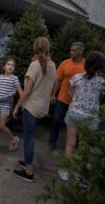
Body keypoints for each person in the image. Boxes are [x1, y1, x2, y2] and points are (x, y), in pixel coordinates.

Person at [12, 37, 56, 182]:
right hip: (42, 108)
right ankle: (27, 161)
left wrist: (17, 106)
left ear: (35, 48)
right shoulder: (52, 65)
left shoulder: (35, 65)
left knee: (29, 138)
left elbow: (27, 91)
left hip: (31, 108)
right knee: (31, 136)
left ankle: (29, 171)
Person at [58, 51, 105, 181]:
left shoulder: (76, 78)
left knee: (70, 144)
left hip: (74, 113)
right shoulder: (101, 82)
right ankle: (79, 175)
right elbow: (101, 99)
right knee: (84, 147)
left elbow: (70, 95)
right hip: (90, 118)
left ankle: (65, 171)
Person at [48, 42, 85, 150]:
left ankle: (75, 143)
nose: (71, 52)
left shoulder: (86, 66)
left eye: (74, 50)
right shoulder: (65, 63)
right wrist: (53, 94)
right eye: (70, 50)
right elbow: (58, 80)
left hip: (77, 102)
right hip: (62, 98)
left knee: (77, 124)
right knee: (56, 120)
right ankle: (52, 141)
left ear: (81, 51)